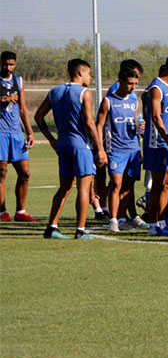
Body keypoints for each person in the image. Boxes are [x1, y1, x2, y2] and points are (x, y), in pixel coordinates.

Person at [34, 59, 106, 239]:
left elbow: (38, 116)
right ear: (80, 73)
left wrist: (51, 139)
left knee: (65, 187)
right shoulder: (85, 93)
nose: (90, 77)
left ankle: (52, 227)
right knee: (83, 187)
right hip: (81, 145)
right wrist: (100, 149)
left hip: (63, 144)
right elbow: (89, 123)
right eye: (89, 73)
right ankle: (80, 231)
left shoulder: (54, 91)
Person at [95, 66, 142, 233]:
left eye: (135, 84)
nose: (133, 87)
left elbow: (137, 121)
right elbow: (98, 126)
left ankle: (122, 218)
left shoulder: (134, 100)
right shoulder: (108, 101)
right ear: (120, 81)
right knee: (116, 183)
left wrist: (140, 127)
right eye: (130, 83)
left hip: (133, 148)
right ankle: (113, 220)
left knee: (128, 186)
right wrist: (100, 149)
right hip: (115, 149)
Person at [142, 54, 168, 236]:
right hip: (156, 143)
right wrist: (167, 140)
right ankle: (153, 225)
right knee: (158, 184)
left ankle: (162, 222)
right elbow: (155, 117)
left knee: (167, 183)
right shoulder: (156, 88)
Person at [0, 51, 37, 222]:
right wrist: (4, 99)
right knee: (2, 172)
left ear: (15, 64)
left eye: (11, 64)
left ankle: (20, 212)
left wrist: (29, 132)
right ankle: (2, 212)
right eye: (5, 64)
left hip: (16, 133)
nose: (8, 67)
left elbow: (22, 108)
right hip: (1, 133)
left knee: (25, 173)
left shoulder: (18, 81)